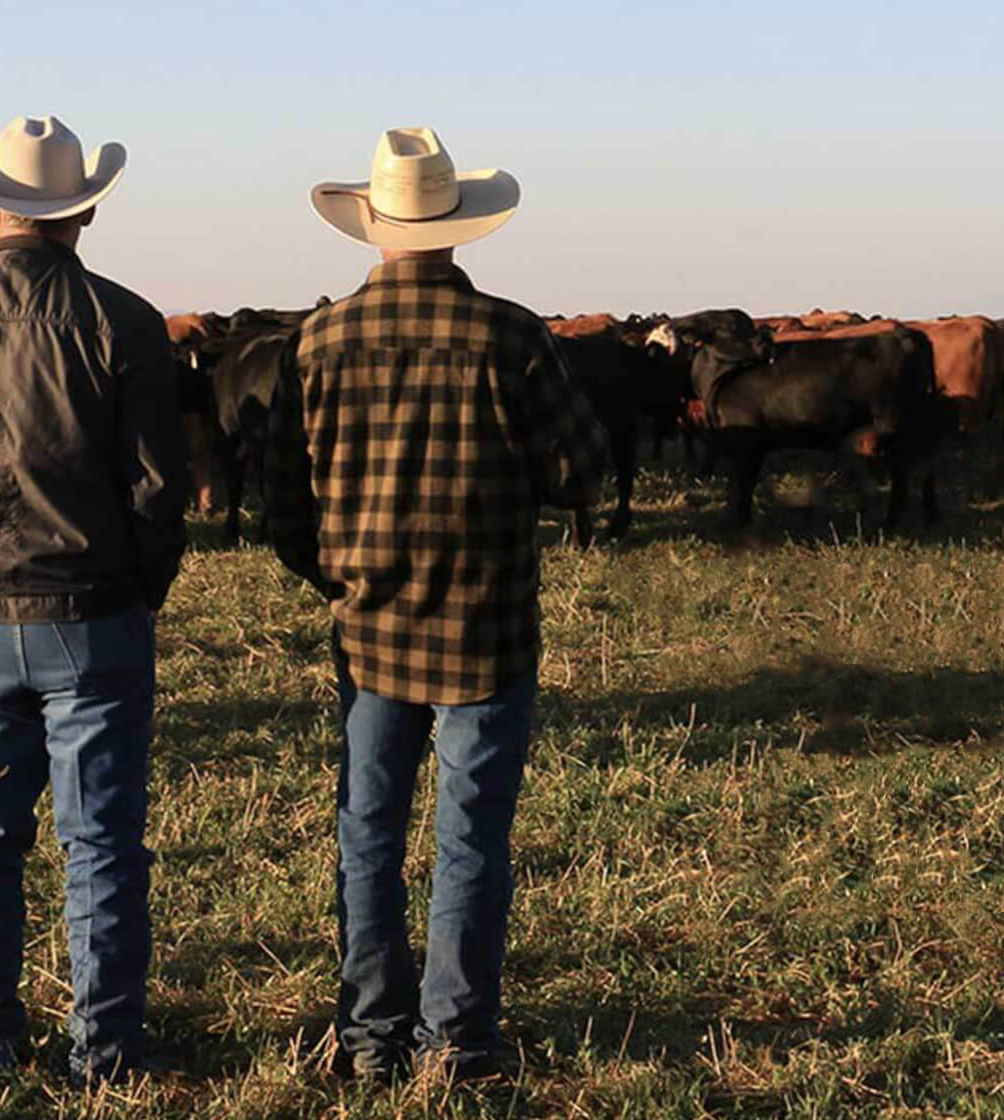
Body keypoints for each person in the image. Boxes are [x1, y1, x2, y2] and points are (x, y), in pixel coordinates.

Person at [265, 127, 606, 1081]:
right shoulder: (514, 336)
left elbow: (284, 507)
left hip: (369, 635)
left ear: (371, 228)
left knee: (368, 836)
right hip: (486, 632)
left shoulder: (317, 341)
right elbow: (584, 469)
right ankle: (456, 1041)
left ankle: (371, 1037)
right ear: (458, 228)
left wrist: (341, 576)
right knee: (470, 838)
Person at [0, 115, 188, 1087]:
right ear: (85, 208)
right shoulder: (124, 321)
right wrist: (140, 589)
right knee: (99, 842)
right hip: (92, 613)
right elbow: (156, 486)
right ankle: (104, 1052)